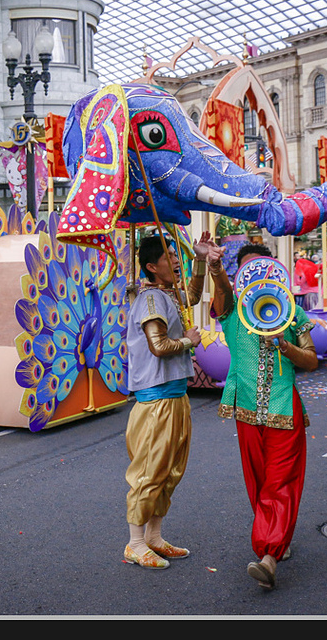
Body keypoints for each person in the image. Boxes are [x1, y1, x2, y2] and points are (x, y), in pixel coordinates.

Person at [210, 244, 318, 590]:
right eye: (247, 272)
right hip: (246, 411)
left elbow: (312, 360)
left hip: (284, 409)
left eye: (262, 269)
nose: (255, 278)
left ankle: (269, 555)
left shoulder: (293, 313)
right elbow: (224, 292)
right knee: (257, 483)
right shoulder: (232, 313)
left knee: (278, 483)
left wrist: (284, 344)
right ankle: (275, 537)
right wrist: (214, 267)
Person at [121, 234, 207, 570]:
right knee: (149, 472)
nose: (175, 259)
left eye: (175, 254)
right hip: (156, 402)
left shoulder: (167, 295)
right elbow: (158, 346)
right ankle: (135, 542)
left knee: (170, 472)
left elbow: (195, 295)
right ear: (152, 267)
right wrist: (189, 340)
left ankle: (154, 537)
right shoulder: (151, 301)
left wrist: (199, 259)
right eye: (169, 255)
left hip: (174, 398)